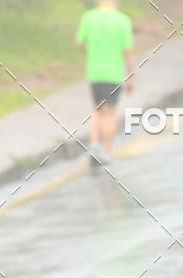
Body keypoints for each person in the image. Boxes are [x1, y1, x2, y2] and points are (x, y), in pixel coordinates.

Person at [76, 0, 134, 165]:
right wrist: (131, 74)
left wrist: (91, 53)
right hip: (114, 73)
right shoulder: (123, 20)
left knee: (98, 109)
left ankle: (94, 145)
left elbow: (80, 44)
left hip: (94, 71)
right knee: (110, 112)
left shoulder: (88, 17)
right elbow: (127, 51)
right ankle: (106, 151)